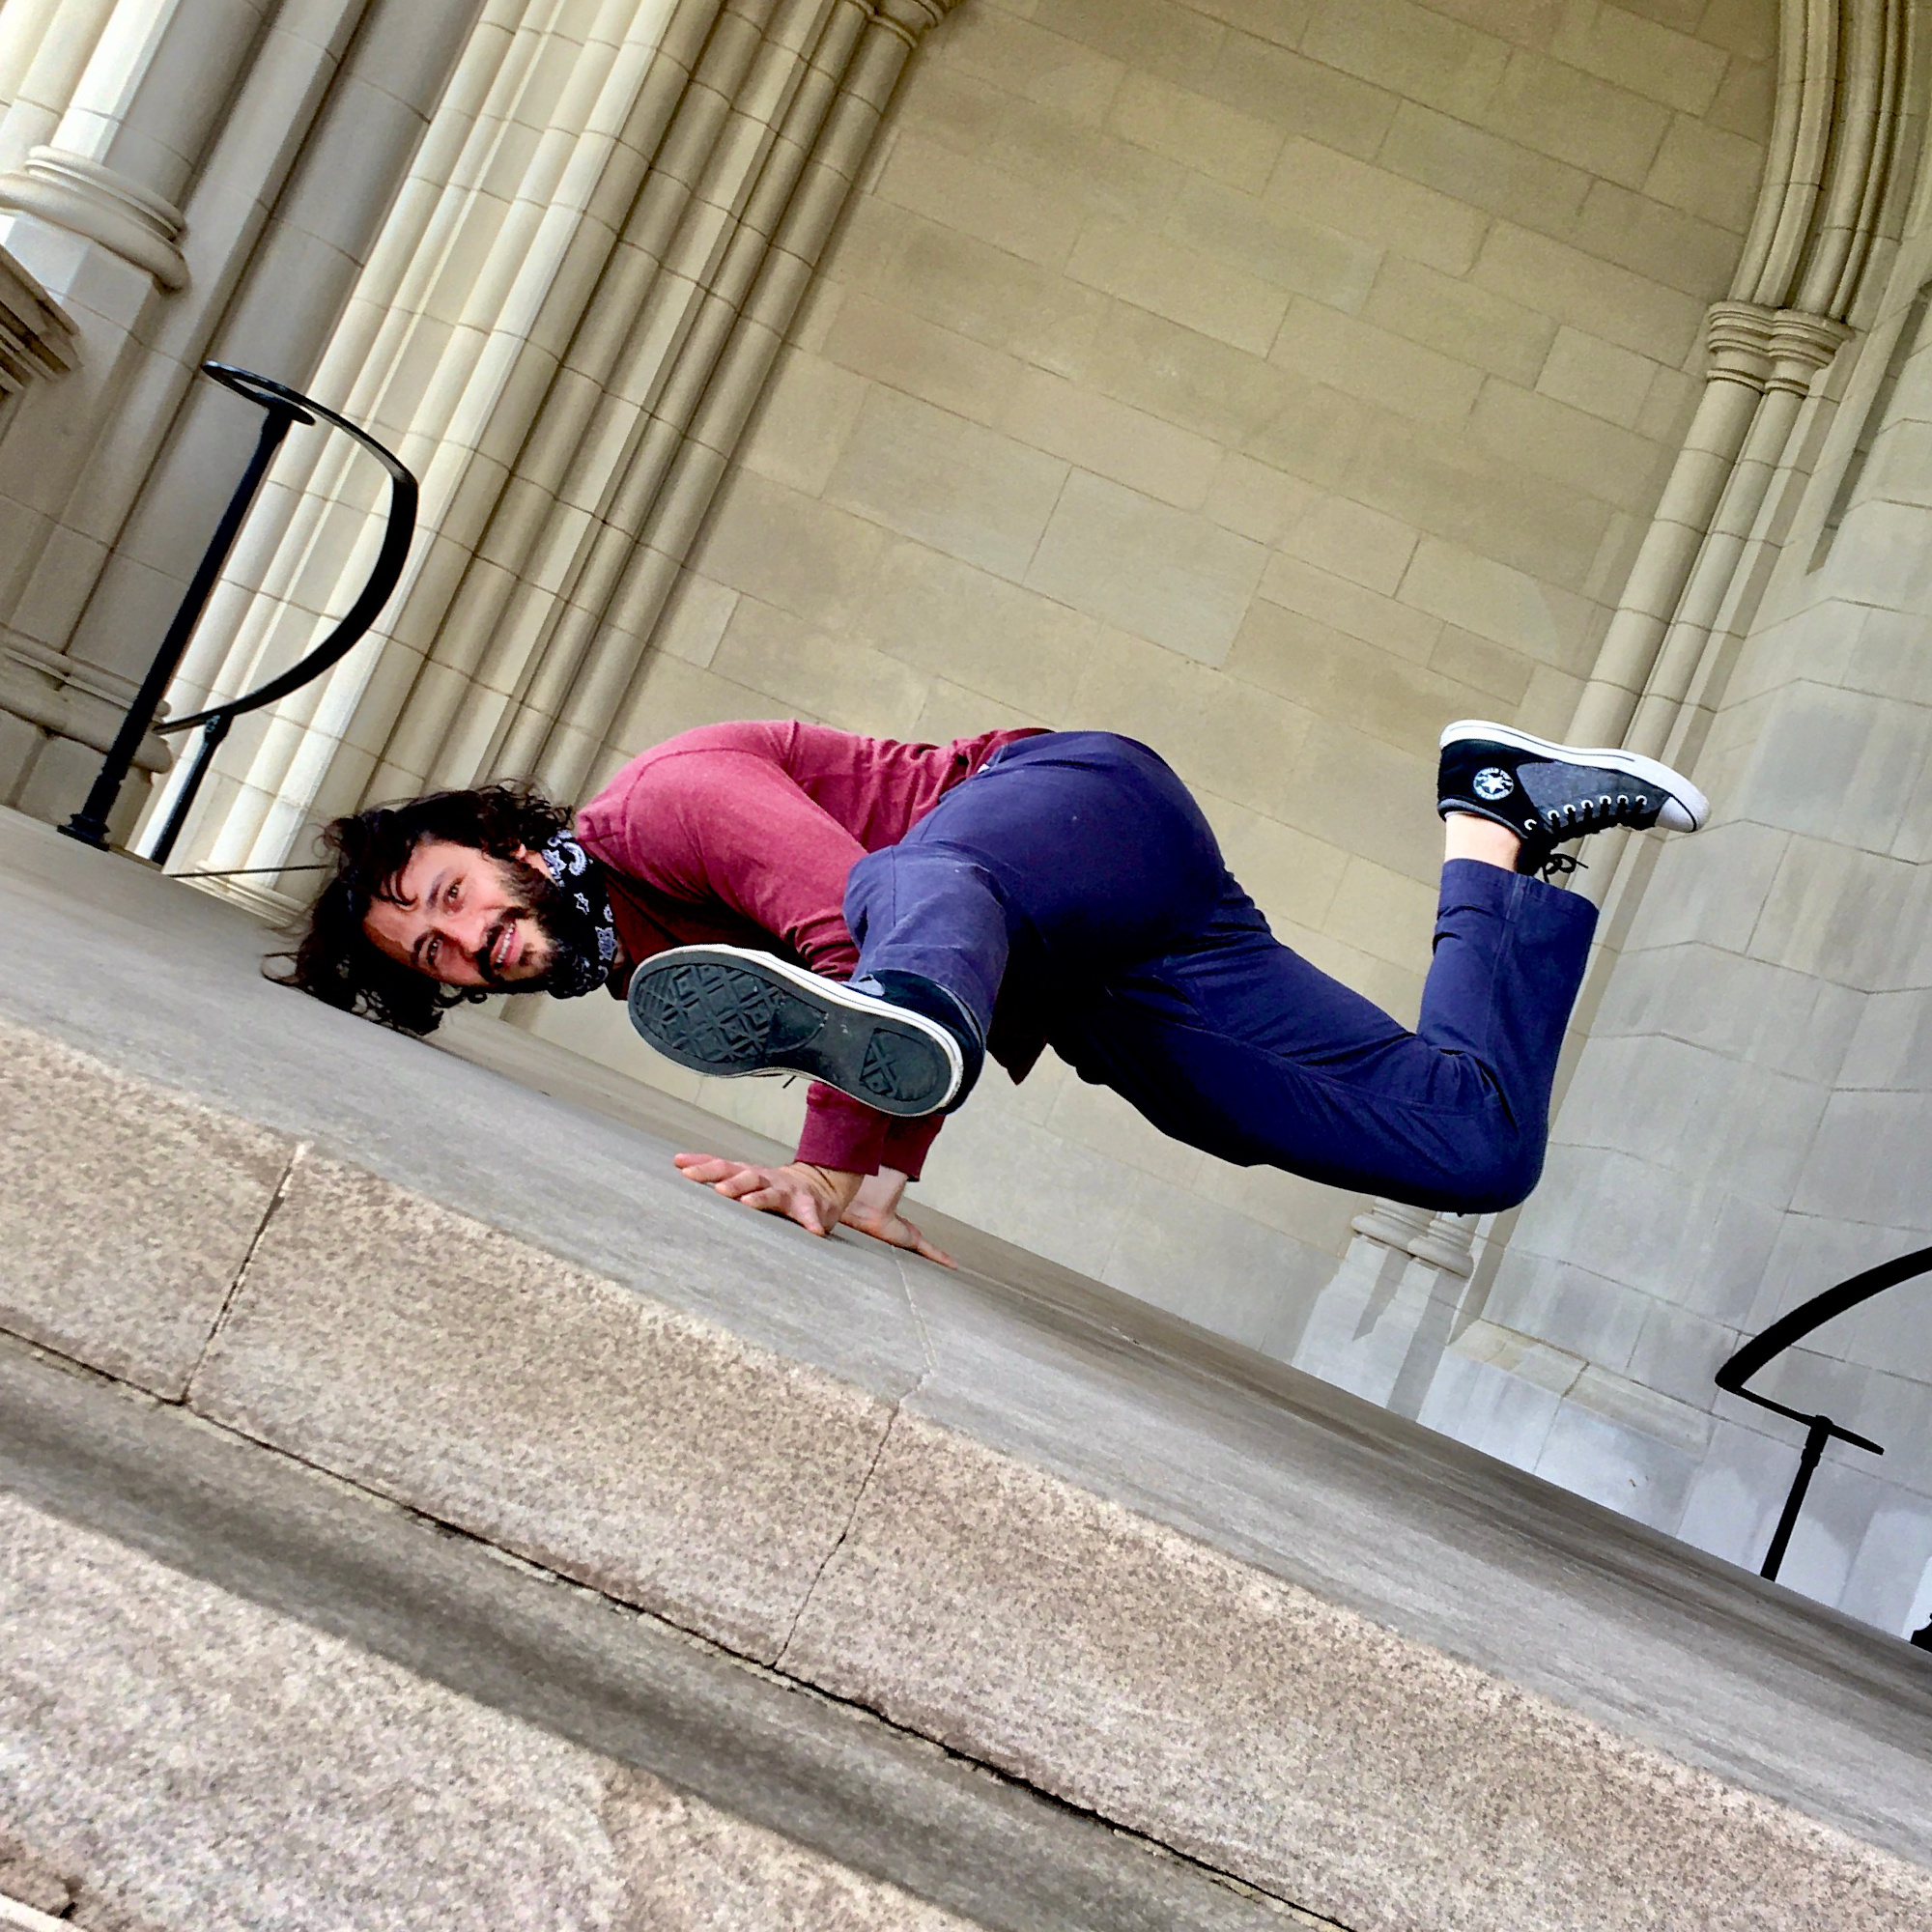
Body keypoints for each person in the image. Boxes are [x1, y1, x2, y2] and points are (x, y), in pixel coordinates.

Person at [283, 719, 1705, 1267]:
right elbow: (880, 1013)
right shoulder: (649, 961)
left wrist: (833, 1171)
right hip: (1092, 974)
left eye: (451, 894)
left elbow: (868, 945)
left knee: (905, 897)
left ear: (507, 841)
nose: (463, 939)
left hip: (1061, 815)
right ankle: (1502, 819)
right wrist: (871, 1181)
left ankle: (913, 1057)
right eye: (434, 955)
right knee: (1467, 1148)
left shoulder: (668, 806)